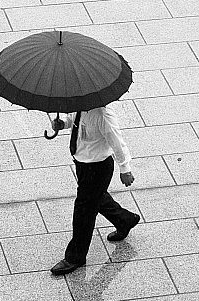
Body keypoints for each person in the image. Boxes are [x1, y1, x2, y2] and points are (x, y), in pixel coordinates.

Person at [49, 104, 141, 275]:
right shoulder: (81, 105)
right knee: (95, 198)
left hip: (98, 167)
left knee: (83, 211)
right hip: (82, 163)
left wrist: (125, 169)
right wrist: (63, 123)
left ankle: (75, 257)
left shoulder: (103, 116)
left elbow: (117, 142)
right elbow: (75, 122)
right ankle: (125, 219)